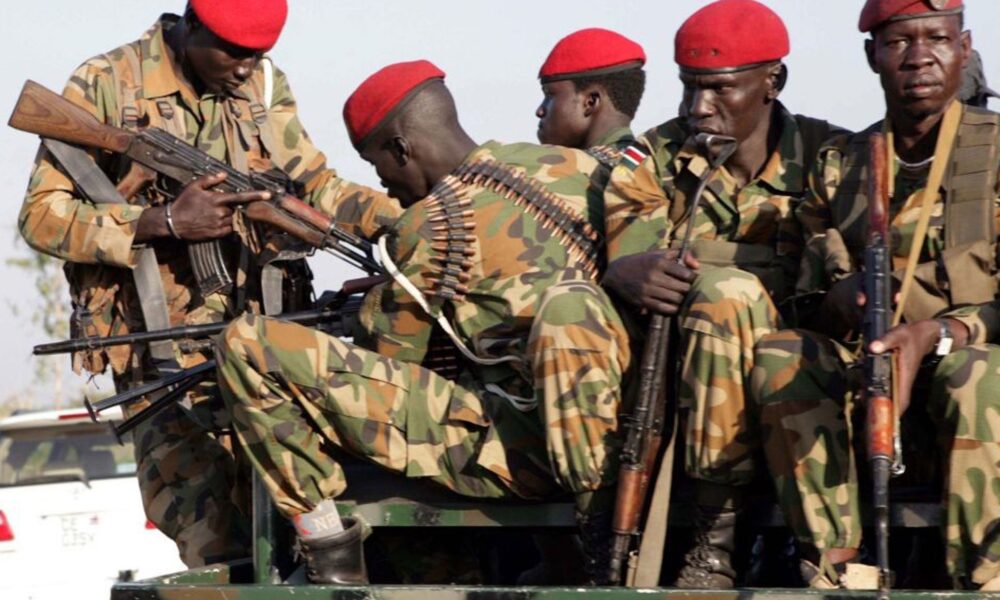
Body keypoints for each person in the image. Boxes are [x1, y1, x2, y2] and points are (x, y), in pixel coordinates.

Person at [215, 60, 631, 584]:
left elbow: (389, 362)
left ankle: (329, 550)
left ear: (401, 149)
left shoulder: (431, 225)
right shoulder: (569, 166)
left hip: (524, 453)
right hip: (616, 437)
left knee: (249, 345)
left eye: (377, 166)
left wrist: (377, 303)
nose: (385, 184)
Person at [17, 0, 400, 567]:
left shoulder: (261, 84)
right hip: (161, 358)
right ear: (191, 23)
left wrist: (405, 222)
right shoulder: (108, 82)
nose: (245, 68)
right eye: (233, 52)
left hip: (266, 350)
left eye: (258, 55)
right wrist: (164, 222)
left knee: (294, 538)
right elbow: (42, 217)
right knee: (216, 545)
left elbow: (315, 183)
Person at [751, 0, 1000, 589]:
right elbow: (800, 299)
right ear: (872, 56)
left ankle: (986, 578)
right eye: (899, 43)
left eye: (937, 39)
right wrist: (839, 298)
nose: (919, 57)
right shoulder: (841, 166)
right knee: (783, 355)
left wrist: (939, 335)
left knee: (972, 373)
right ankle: (837, 566)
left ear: (964, 48)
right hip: (872, 386)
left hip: (976, 385)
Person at [600, 0, 840, 587]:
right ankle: (715, 541)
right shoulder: (654, 158)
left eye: (719, 88)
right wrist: (624, 271)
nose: (697, 106)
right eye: (689, 86)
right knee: (722, 294)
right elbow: (633, 252)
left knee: (732, 296)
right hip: (685, 381)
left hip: (799, 385)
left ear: (773, 81)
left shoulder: (832, 156)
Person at [535, 28, 645, 157]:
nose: (539, 111)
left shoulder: (556, 168)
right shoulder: (649, 165)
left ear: (590, 102)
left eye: (550, 95)